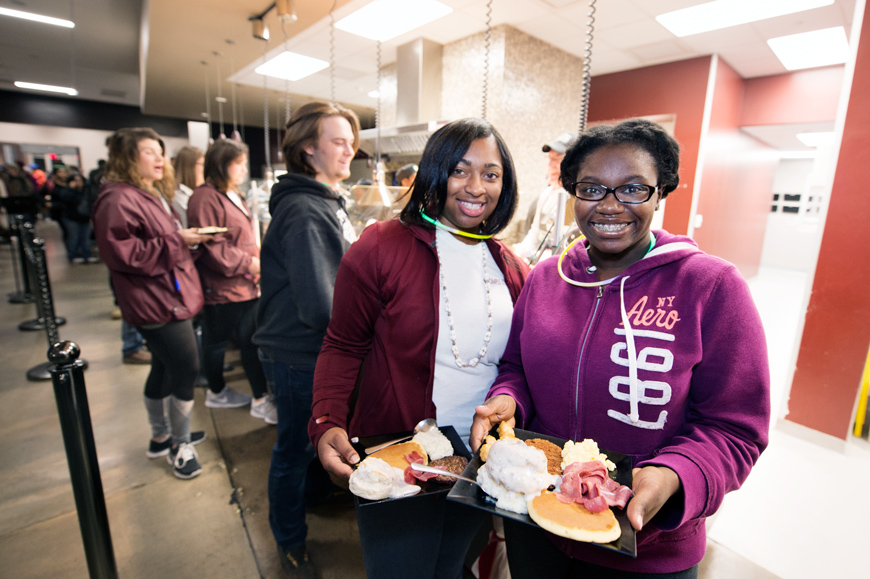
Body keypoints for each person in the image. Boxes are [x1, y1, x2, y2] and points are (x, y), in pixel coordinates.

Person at [470, 119, 771, 578]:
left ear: (661, 192)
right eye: (592, 189)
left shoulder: (711, 288)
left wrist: (672, 476)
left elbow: (735, 428)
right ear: (572, 193)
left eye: (633, 189)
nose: (610, 207)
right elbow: (517, 367)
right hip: (537, 524)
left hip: (643, 548)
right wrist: (508, 398)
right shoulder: (547, 279)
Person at [310, 118, 529, 579]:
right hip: (399, 458)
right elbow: (342, 343)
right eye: (460, 170)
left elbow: (517, 365)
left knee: (450, 566)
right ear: (435, 172)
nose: (475, 187)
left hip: (477, 460)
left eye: (491, 174)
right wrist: (327, 418)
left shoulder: (511, 266)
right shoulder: (381, 247)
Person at [253, 101, 361, 578]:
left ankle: (316, 496)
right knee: (293, 450)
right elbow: (319, 304)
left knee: (313, 440)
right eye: (337, 141)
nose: (349, 149)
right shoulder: (302, 209)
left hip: (312, 348)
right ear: (307, 149)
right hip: (297, 352)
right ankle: (290, 543)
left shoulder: (325, 201)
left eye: (350, 140)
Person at [92, 127, 210, 480]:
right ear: (127, 158)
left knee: (163, 366)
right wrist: (178, 241)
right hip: (155, 302)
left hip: (168, 296)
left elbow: (160, 241)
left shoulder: (147, 193)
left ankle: (161, 436)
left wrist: (183, 241)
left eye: (160, 151)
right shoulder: (117, 199)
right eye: (149, 152)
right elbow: (123, 254)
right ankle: (179, 443)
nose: (160, 159)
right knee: (186, 367)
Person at [188, 140, 275, 423]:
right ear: (221, 163)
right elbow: (213, 245)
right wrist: (250, 263)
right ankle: (217, 390)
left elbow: (244, 237)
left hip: (246, 283)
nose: (243, 169)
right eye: (238, 163)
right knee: (217, 341)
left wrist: (258, 261)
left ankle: (260, 398)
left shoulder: (232, 193)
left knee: (250, 341)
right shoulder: (205, 197)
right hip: (224, 287)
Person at [514, 131, 575, 261]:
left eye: (556, 160)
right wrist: (517, 257)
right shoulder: (548, 193)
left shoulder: (574, 199)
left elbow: (565, 243)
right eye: (549, 159)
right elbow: (534, 233)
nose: (549, 165)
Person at [57, 173, 98, 263]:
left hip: (85, 218)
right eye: (75, 180)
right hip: (71, 218)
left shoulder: (87, 191)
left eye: (80, 180)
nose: (78, 183)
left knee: (85, 238)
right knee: (73, 237)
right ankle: (73, 255)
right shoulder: (67, 191)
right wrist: (73, 189)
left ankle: (87, 255)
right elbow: (68, 200)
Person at [172, 146, 205, 228]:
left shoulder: (202, 193)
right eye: (203, 164)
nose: (206, 169)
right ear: (189, 167)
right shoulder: (178, 197)